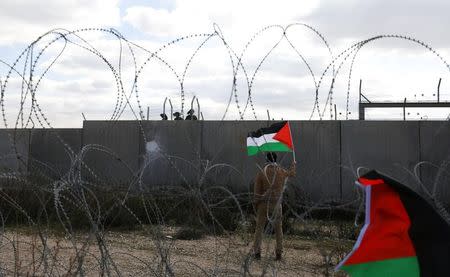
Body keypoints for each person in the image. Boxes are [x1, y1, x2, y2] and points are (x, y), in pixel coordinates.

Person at [252, 152, 296, 261]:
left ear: (266, 159)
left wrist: (255, 203)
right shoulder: (281, 171)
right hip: (277, 204)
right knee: (278, 230)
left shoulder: (262, 172)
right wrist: (293, 165)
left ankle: (257, 253)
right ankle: (278, 253)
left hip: (263, 204)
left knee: (259, 229)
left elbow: (257, 192)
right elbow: (291, 174)